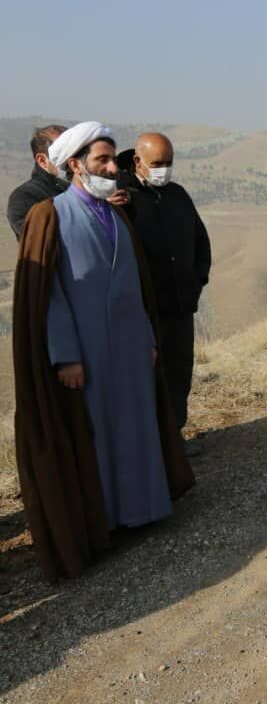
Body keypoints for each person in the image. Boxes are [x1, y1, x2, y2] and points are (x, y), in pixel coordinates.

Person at [13, 122, 193, 581]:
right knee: (96, 436)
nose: (112, 168)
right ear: (75, 165)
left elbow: (137, 287)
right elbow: (48, 294)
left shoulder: (116, 215)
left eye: (113, 160)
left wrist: (149, 340)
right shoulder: (49, 216)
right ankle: (106, 521)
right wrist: (65, 355)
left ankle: (143, 509)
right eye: (102, 161)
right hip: (86, 355)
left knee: (134, 426)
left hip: (132, 349)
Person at [117, 133, 212, 455]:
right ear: (137, 161)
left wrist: (197, 280)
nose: (164, 170)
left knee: (179, 371)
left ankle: (174, 438)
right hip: (145, 312)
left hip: (181, 305)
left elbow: (201, 241)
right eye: (157, 164)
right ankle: (148, 448)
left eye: (169, 163)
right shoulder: (123, 199)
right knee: (147, 379)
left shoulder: (177, 195)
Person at [6, 125, 69, 239]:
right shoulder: (24, 197)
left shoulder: (89, 190)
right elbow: (39, 241)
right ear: (43, 161)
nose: (72, 159)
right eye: (64, 153)